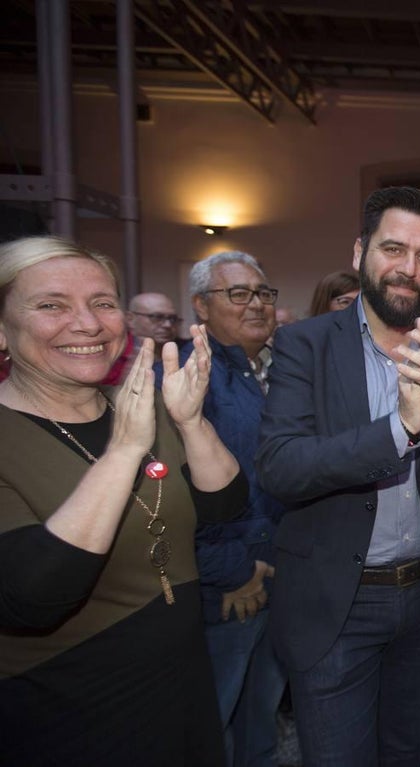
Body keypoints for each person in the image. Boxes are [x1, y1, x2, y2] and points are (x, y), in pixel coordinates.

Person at [256, 187, 420, 766]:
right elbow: (281, 467)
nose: (408, 268)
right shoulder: (304, 345)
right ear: (361, 251)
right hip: (335, 600)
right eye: (394, 248)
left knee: (403, 749)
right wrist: (400, 431)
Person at [0, 235, 245, 765]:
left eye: (103, 303)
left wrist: (189, 420)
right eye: (51, 305)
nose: (87, 324)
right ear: (2, 328)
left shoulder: (138, 404)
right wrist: (124, 452)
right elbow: (34, 599)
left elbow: (225, 507)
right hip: (68, 703)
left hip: (181, 678)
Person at [164, 251, 286, 767]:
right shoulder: (184, 380)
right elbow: (165, 497)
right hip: (227, 590)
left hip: (280, 576)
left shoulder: (280, 372)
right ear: (200, 306)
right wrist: (233, 571)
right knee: (211, 728)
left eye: (263, 293)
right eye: (238, 293)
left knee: (260, 723)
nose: (256, 304)